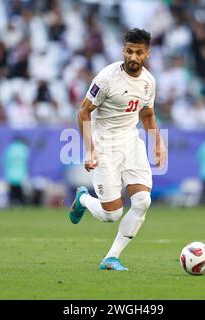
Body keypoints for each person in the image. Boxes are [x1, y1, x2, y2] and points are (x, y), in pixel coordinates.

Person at [68, 28, 166, 271]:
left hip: (131, 142)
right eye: (129, 51)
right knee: (111, 215)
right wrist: (90, 150)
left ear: (147, 54)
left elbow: (148, 113)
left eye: (139, 53)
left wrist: (157, 141)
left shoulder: (148, 82)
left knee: (143, 201)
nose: (133, 57)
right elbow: (83, 112)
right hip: (105, 144)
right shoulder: (106, 78)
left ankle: (111, 258)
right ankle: (83, 198)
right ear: (124, 50)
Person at [2, 136, 30, 206]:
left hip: (11, 173)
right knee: (20, 190)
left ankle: (13, 202)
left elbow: (4, 160)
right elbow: (27, 161)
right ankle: (20, 202)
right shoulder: (24, 149)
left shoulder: (10, 149)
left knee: (12, 190)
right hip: (20, 172)